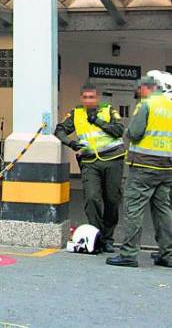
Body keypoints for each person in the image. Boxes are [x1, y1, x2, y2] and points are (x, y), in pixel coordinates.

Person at [107, 76, 172, 268]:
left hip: (144, 166)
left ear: (147, 88)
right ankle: (168, 254)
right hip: (167, 166)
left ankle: (129, 253)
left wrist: (127, 133)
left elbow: (134, 133)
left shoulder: (146, 105)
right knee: (164, 210)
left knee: (133, 208)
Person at [55, 83, 125, 253]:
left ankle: (108, 238)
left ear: (97, 98)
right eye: (85, 97)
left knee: (112, 200)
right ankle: (97, 236)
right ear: (81, 98)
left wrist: (98, 121)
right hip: (90, 162)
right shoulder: (76, 113)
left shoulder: (108, 110)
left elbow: (119, 130)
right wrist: (71, 143)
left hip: (112, 158)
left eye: (92, 97)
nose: (88, 100)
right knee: (92, 198)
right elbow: (60, 130)